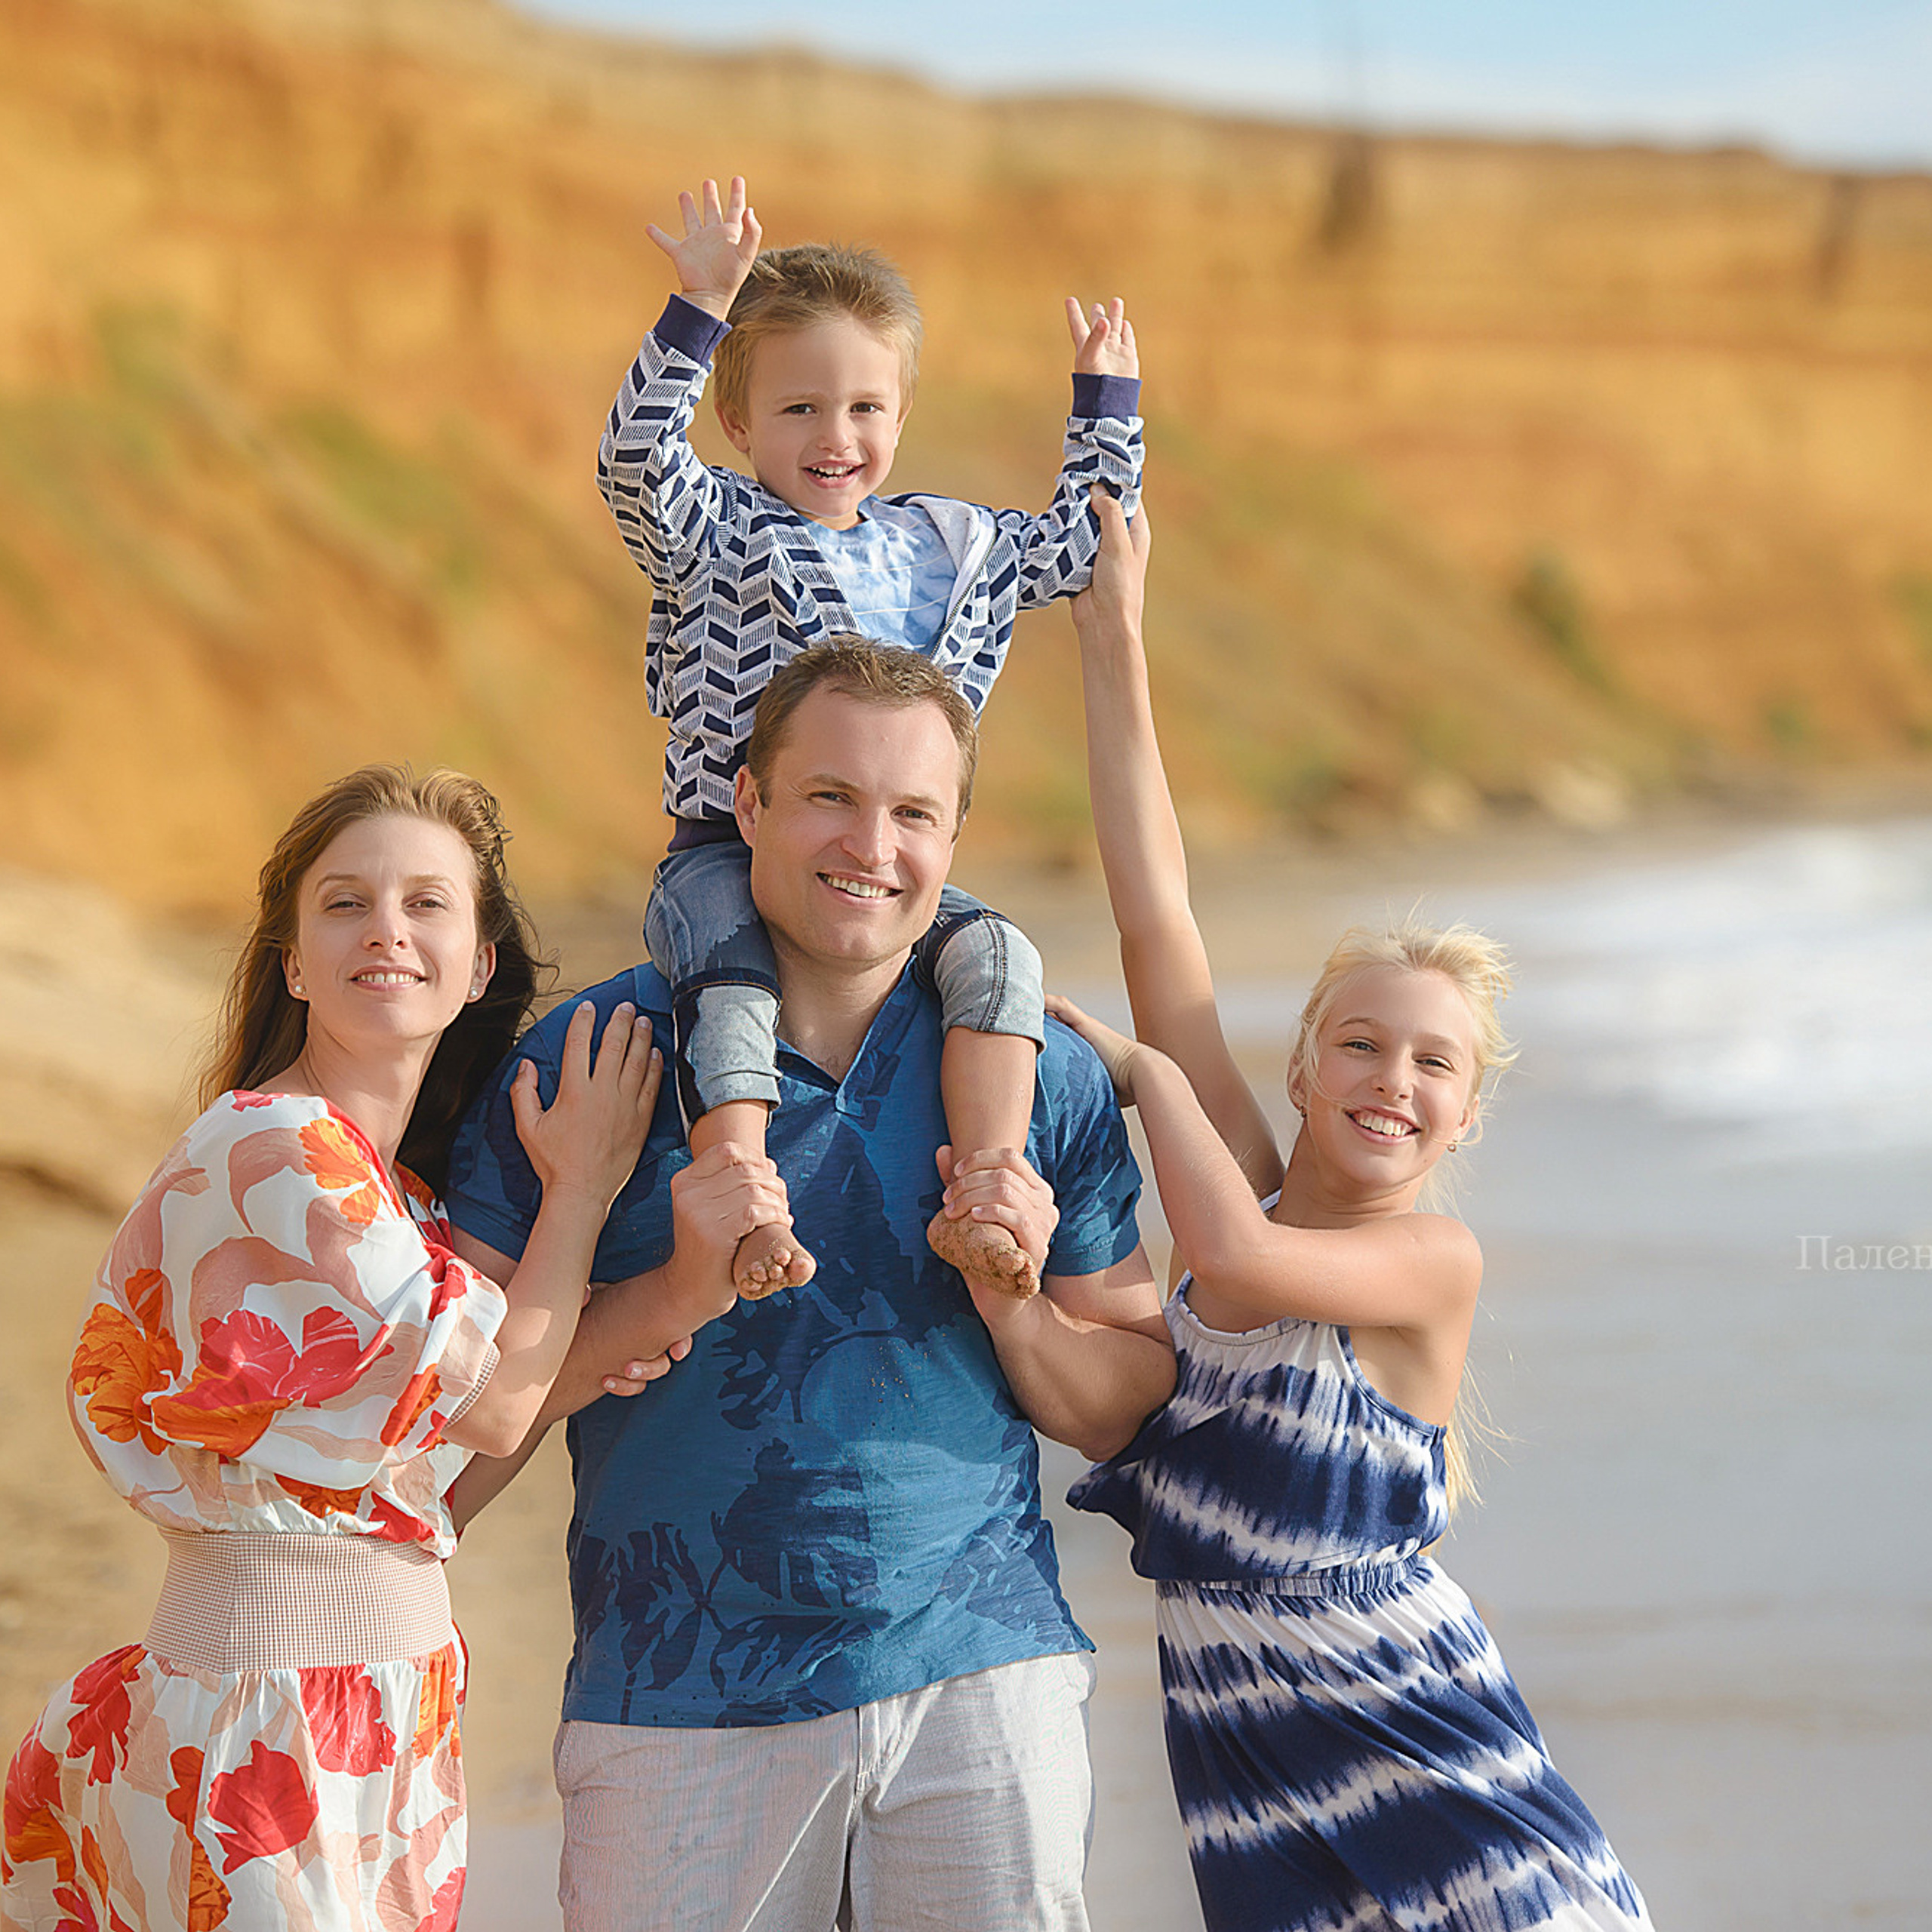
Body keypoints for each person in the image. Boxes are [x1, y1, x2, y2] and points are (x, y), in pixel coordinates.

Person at [444, 642, 1174, 1932]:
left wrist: (1011, 1295)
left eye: (913, 813)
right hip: (673, 1700)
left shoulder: (1034, 1075)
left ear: (955, 837)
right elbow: (459, 1442)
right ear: (750, 806)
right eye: (831, 796)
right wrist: (677, 1282)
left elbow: (1124, 1406)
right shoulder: (596, 1061)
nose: (872, 846)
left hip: (980, 1678)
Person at [1051, 500, 1655, 1931]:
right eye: (1365, 1045)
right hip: (1255, 1772)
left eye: (1435, 1062)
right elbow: (1158, 917)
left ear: (1467, 1111)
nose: (1394, 1081)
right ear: (1305, 1068)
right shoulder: (1246, 1173)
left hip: (1432, 1764)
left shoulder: (1426, 1263)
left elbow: (1235, 1256)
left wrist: (1144, 1077)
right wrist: (1113, 637)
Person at [0, 766, 671, 1932]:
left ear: (481, 964)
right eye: (346, 903)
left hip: (375, 1722)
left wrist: (636, 1320)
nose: (388, 932)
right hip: (266, 1732)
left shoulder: (396, 1201)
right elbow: (501, 1408)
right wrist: (584, 1182)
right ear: (294, 961)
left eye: (427, 904)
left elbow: (439, 1491)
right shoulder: (274, 1153)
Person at [597, 173, 1143, 1302]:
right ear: (739, 421)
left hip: (893, 867)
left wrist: (1106, 407)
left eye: (863, 409)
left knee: (1002, 958)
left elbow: (1084, 547)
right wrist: (699, 308)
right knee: (732, 977)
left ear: (899, 416)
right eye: (798, 409)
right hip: (727, 852)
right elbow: (635, 468)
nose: (834, 436)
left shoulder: (950, 549)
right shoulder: (722, 534)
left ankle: (990, 1177)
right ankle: (743, 1189)